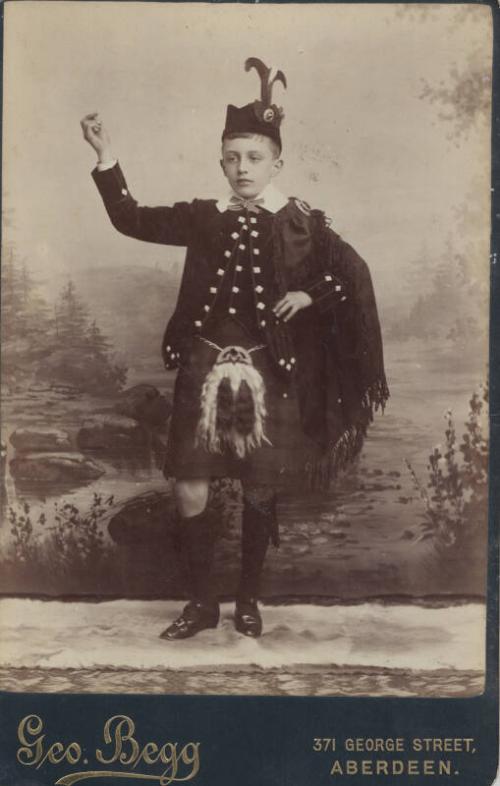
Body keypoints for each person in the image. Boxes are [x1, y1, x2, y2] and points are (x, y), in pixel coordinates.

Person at [81, 57, 388, 641]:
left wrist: (308, 292)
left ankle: (248, 599)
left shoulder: (300, 221)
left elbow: (352, 275)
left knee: (259, 481)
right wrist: (105, 154)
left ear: (277, 162)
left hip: (272, 367)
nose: (242, 169)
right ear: (220, 161)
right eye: (232, 158)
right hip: (202, 361)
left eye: (254, 158)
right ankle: (203, 604)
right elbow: (129, 217)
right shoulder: (202, 217)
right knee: (189, 481)